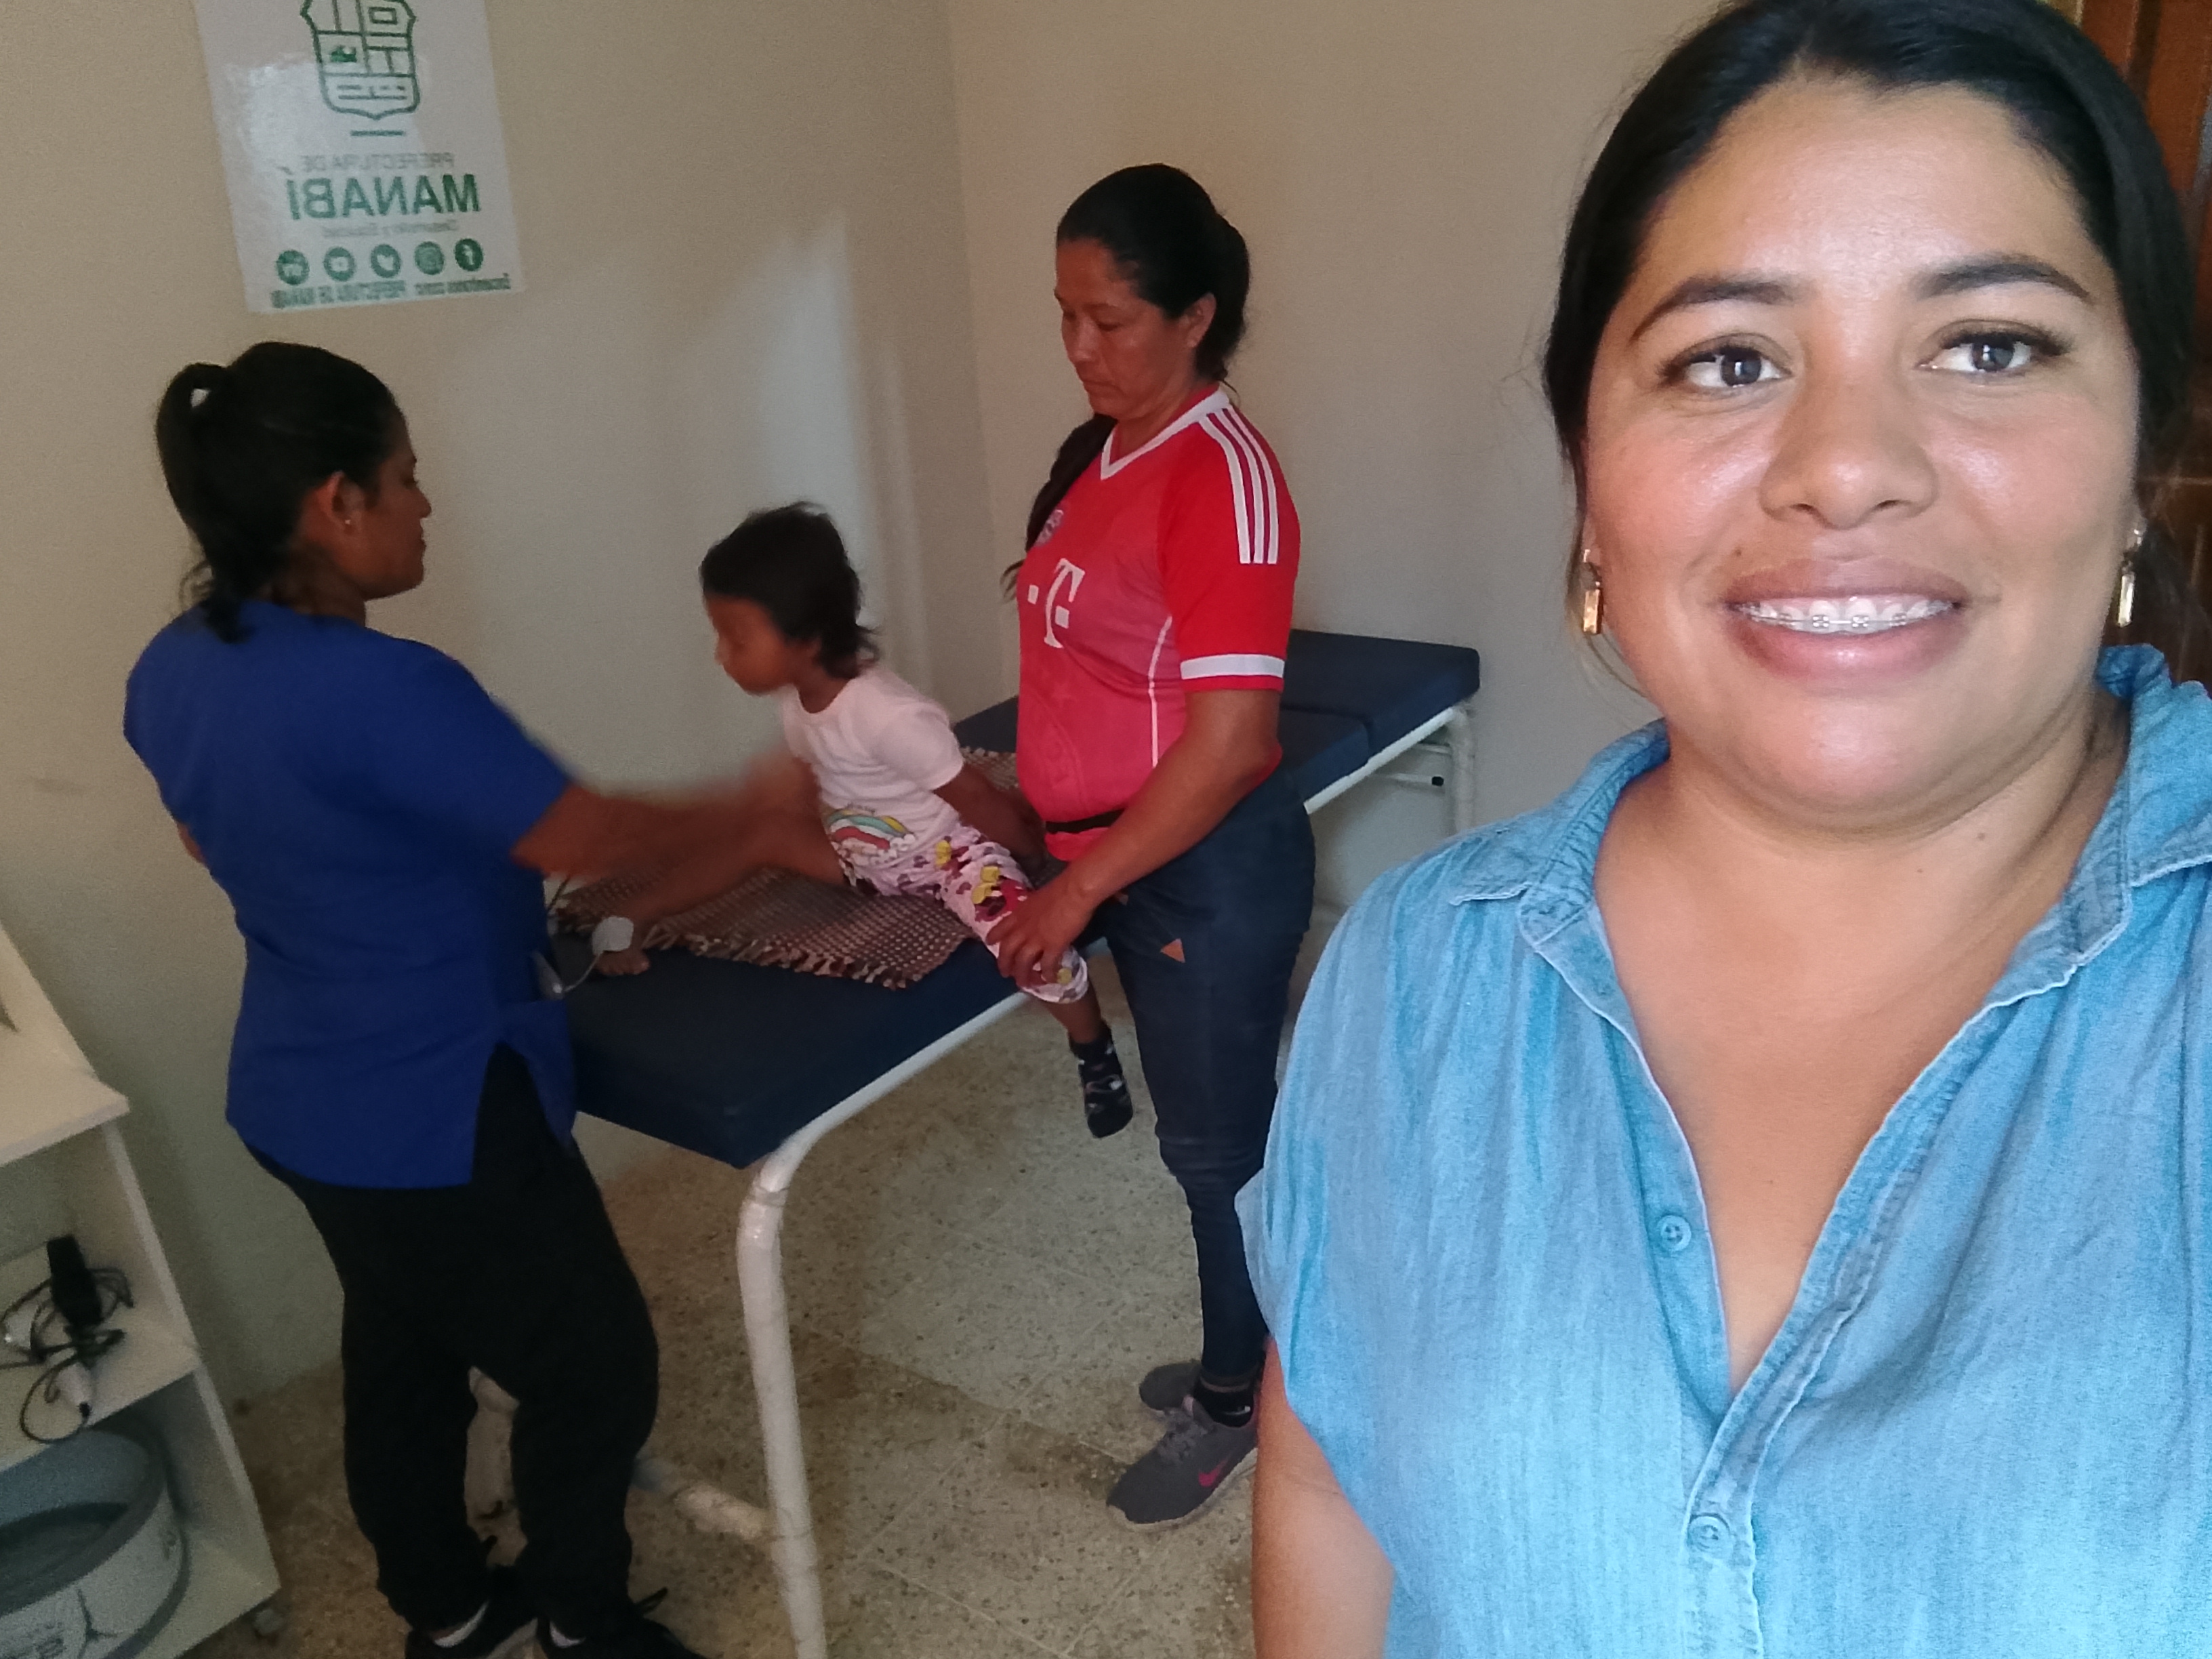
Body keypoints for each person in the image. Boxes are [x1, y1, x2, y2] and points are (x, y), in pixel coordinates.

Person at [1240, 0, 2212, 1653]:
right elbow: (1328, 1472)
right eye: (1730, 360)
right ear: (1588, 475)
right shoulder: (1411, 972)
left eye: (1989, 346)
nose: (1845, 466)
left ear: (2139, 458)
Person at [125, 342, 757, 1659]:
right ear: (335, 503)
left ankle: (450, 1610)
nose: (427, 505)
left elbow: (204, 833)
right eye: (405, 477)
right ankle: (583, 1619)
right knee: (593, 1365)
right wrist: (760, 809)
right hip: (436, 1104)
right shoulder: (386, 688)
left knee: (403, 1345)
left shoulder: (174, 666)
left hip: (296, 1095)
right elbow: (589, 834)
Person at [987, 164, 1316, 1528]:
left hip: (1202, 870)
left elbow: (1230, 744)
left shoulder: (1221, 477)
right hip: (1127, 857)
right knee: (1205, 1149)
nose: (1079, 346)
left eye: (1109, 320)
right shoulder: (1107, 453)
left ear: (1195, 316)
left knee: (1219, 1153)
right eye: (1064, 315)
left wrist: (1077, 888)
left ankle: (1238, 1402)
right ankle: (1250, 1351)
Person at [597, 502, 1137, 1134]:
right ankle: (634, 916)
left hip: (948, 856)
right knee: (761, 834)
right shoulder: (797, 704)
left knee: (1028, 947)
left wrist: (1033, 853)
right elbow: (819, 787)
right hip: (862, 858)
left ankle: (1093, 1050)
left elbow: (974, 797)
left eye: (736, 639)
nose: (721, 656)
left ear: (806, 640)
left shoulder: (888, 714)